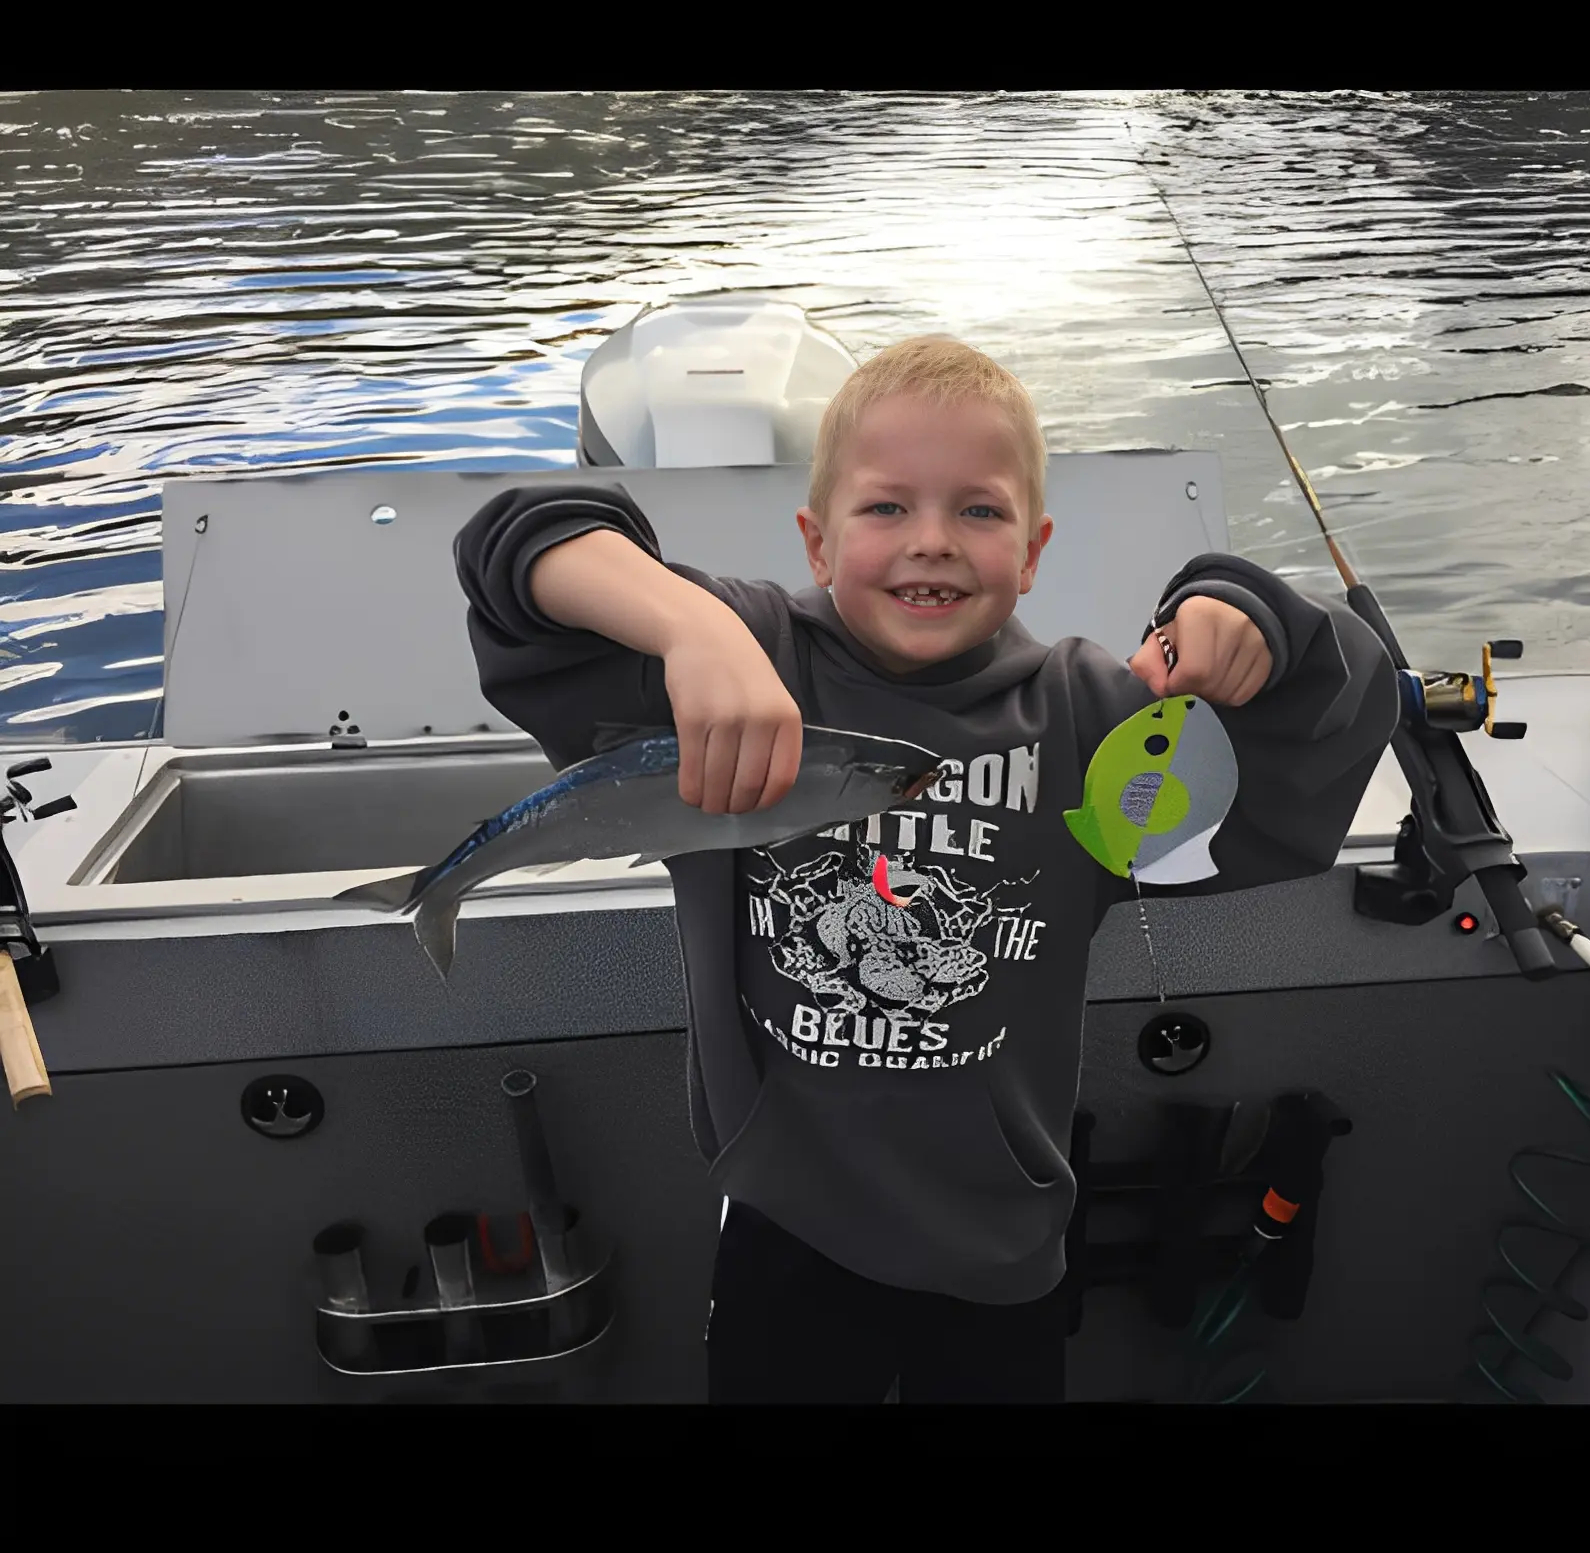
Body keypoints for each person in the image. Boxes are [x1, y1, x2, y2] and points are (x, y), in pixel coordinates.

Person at [454, 334, 1399, 1404]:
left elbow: (1342, 706)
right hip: (783, 1216)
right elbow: (517, 546)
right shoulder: (751, 656)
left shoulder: (1089, 727)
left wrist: (1239, 608)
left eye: (980, 511)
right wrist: (690, 630)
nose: (933, 542)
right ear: (817, 540)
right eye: (886, 507)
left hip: (1003, 1240)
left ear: (1035, 551)